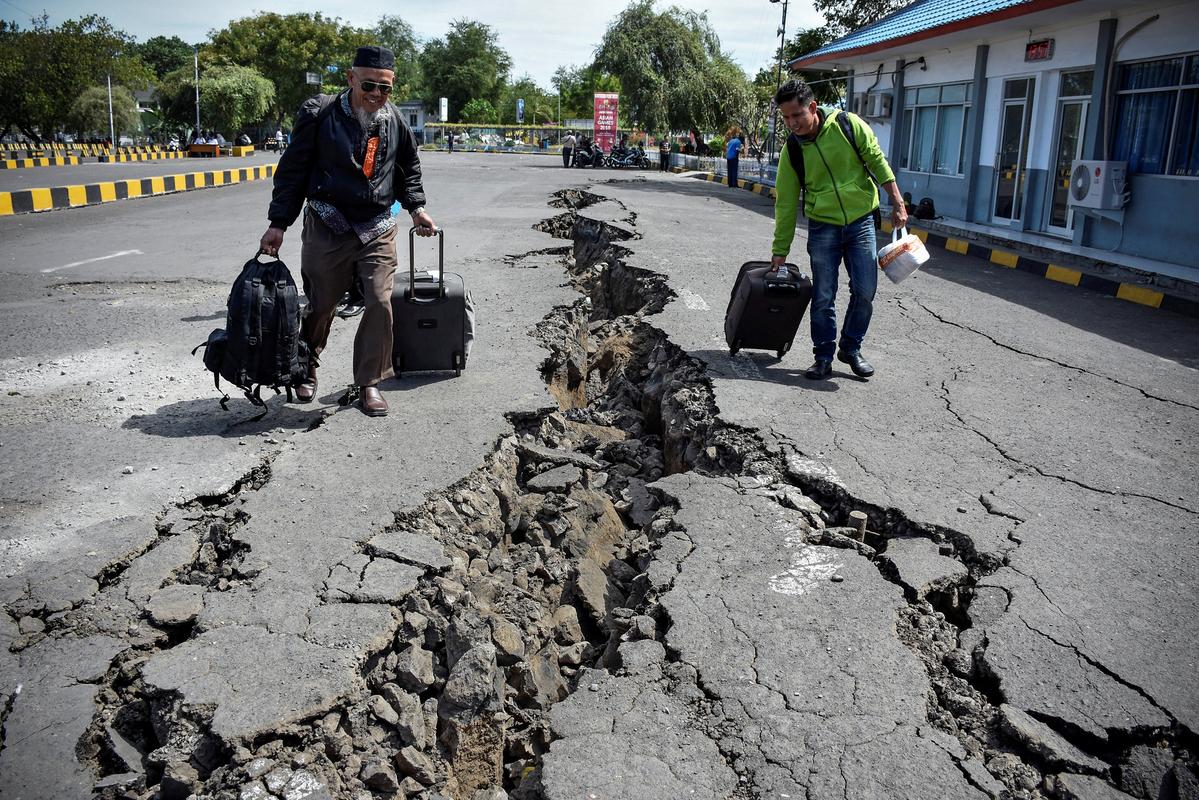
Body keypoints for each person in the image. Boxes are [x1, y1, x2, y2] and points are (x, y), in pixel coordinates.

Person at [259, 45, 437, 417]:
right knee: (322, 304)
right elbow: (292, 171)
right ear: (351, 78)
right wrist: (278, 224)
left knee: (379, 301)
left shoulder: (395, 122)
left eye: (384, 88)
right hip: (328, 222)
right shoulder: (318, 114)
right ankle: (307, 364)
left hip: (377, 225)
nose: (376, 95)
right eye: (369, 85)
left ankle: (369, 382)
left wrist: (417, 208)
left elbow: (408, 168)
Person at [770, 79, 907, 380]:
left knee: (865, 290)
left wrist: (896, 200)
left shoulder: (848, 125)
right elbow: (786, 204)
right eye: (785, 118)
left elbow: (877, 160)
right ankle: (822, 357)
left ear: (813, 107)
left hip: (861, 222)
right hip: (823, 227)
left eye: (797, 115)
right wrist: (780, 251)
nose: (792, 123)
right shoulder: (792, 151)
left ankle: (851, 348)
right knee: (823, 295)